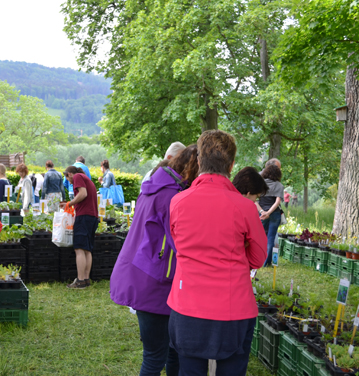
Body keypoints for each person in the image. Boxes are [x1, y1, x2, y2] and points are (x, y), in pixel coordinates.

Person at [167, 130, 267, 376]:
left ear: (199, 162)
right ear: (232, 165)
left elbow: (177, 245)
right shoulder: (245, 207)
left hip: (187, 305)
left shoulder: (178, 202)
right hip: (233, 308)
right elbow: (257, 258)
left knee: (189, 370)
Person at [110, 144, 199, 376]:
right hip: (155, 283)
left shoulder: (154, 187)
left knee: (170, 350)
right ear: (192, 172)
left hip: (141, 275)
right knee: (155, 357)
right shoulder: (172, 196)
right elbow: (180, 243)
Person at [63, 165, 98, 289]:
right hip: (92, 217)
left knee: (79, 249)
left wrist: (70, 203)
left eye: (67, 177)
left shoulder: (77, 176)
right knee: (87, 249)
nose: (68, 180)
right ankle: (86, 279)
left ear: (69, 174)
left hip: (84, 216)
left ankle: (80, 280)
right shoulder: (85, 177)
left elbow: (83, 193)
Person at [256, 163, 284, 267]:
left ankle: (258, 259)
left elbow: (255, 201)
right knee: (271, 238)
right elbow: (277, 202)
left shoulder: (259, 184)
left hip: (261, 213)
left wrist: (262, 212)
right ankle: (266, 262)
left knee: (260, 237)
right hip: (275, 214)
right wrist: (269, 212)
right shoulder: (279, 185)